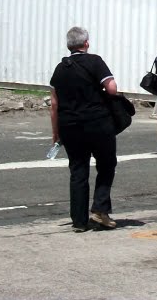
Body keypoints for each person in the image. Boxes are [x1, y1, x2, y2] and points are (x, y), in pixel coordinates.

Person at [49, 26, 119, 232]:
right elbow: (112, 88)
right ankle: (99, 208)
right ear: (86, 43)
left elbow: (54, 104)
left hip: (69, 125)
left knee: (78, 170)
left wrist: (55, 133)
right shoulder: (94, 61)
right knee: (106, 164)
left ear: (68, 45)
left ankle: (79, 221)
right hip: (97, 122)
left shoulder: (60, 69)